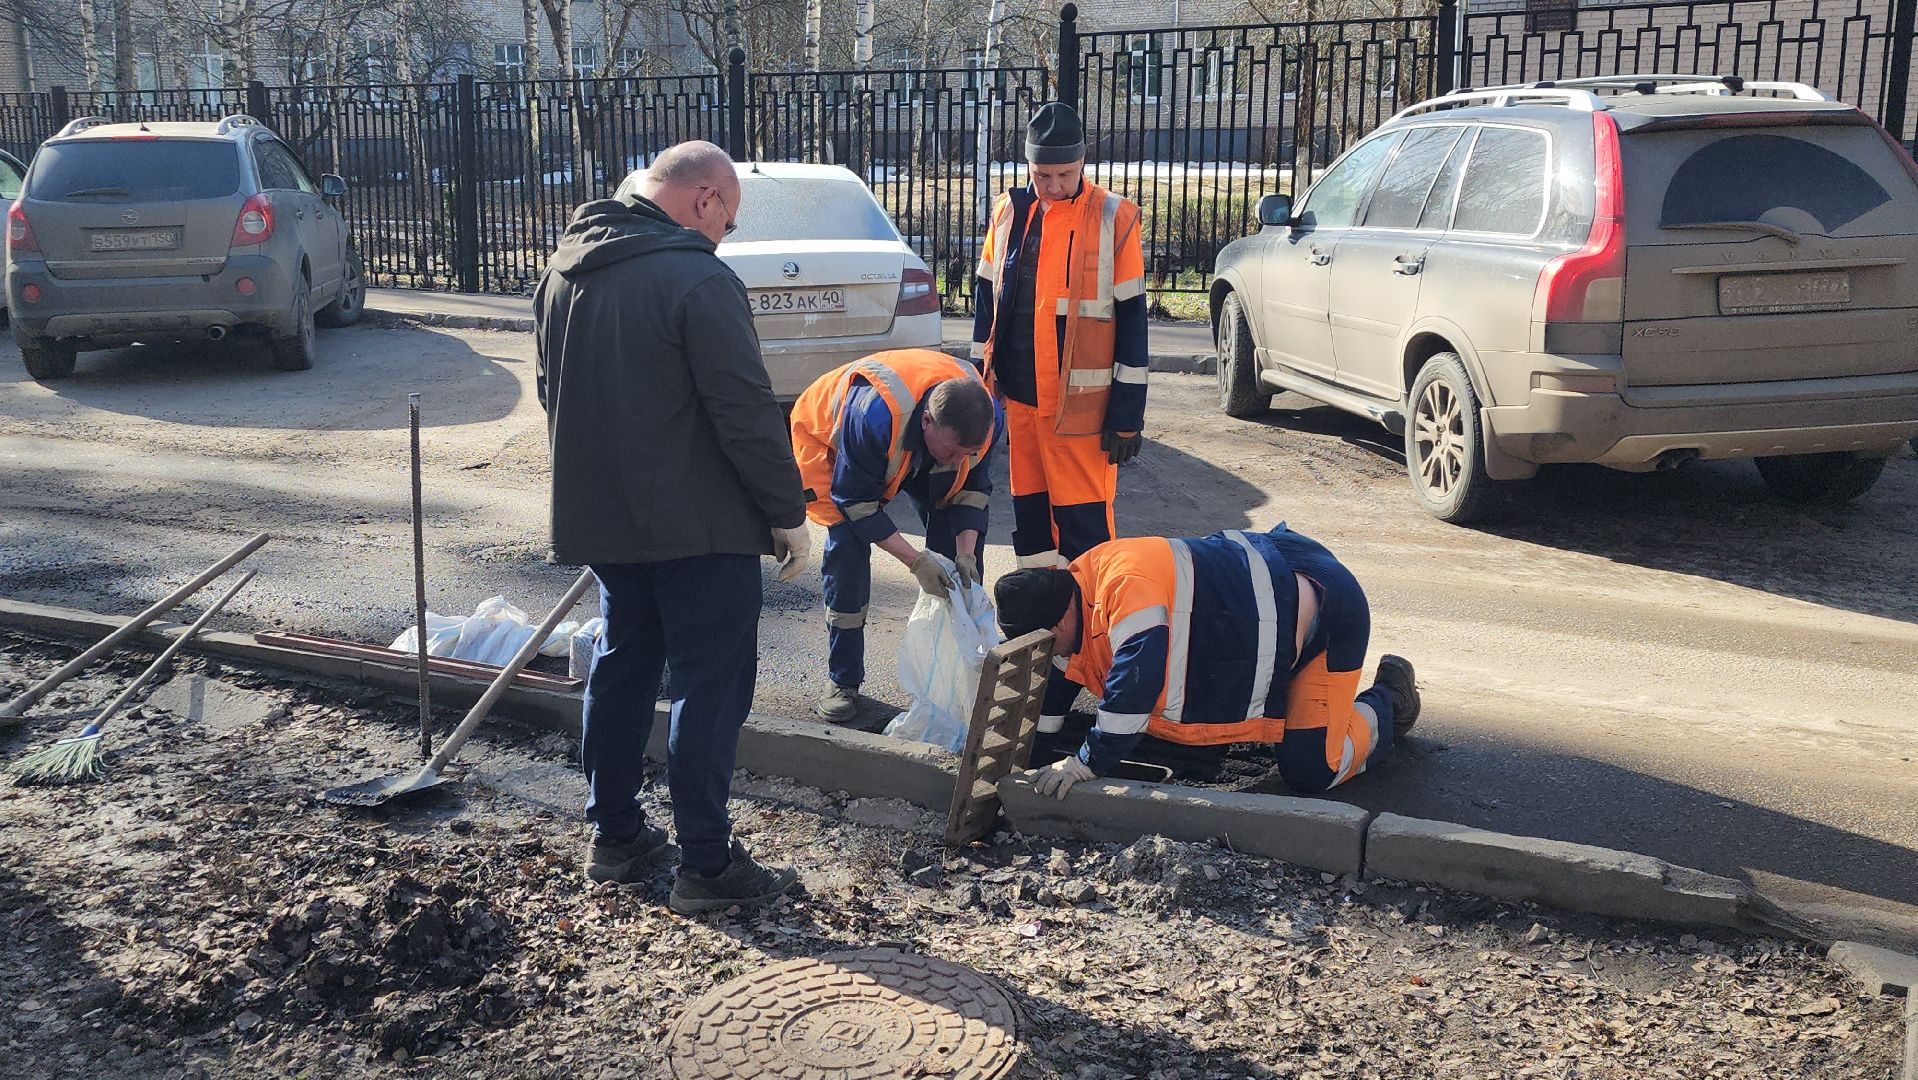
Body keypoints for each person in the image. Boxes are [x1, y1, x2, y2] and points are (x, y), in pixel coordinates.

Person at [535, 140, 811, 915]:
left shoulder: (564, 271)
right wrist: (786, 513)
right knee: (708, 686)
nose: (726, 234)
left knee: (622, 668)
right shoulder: (698, 276)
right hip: (702, 528)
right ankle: (707, 866)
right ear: (704, 200)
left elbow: (552, 393)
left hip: (605, 519)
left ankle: (615, 834)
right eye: (730, 218)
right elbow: (745, 412)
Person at [992, 523, 1419, 799]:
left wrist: (1085, 764)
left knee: (1312, 770)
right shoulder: (1076, 585)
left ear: (1058, 622)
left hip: (1328, 614)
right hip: (1273, 587)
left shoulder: (1127, 599)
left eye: (1042, 644)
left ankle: (1388, 699)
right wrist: (1036, 749)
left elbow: (1133, 691)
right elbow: (1061, 679)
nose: (1046, 655)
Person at [971, 102, 1149, 570]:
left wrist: (1127, 414)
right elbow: (987, 299)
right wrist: (980, 384)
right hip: (1022, 403)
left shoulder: (1115, 218)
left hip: (1082, 415)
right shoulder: (1009, 212)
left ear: (1083, 164)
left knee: (1086, 534)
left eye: (1064, 175)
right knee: (1032, 530)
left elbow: (1132, 320)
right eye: (1041, 175)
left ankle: (1093, 632)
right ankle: (1040, 625)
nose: (1052, 187)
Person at [788, 348, 1003, 723]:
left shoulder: (985, 418)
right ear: (926, 423)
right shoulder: (871, 414)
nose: (959, 460)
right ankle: (844, 680)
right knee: (847, 554)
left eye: (968, 452)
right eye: (955, 451)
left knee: (958, 565)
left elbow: (973, 491)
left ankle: (953, 681)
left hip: (908, 441)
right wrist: (916, 561)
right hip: (832, 446)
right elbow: (856, 503)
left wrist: (965, 552)